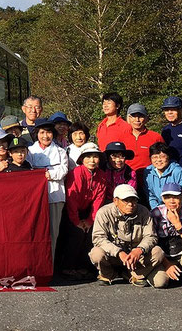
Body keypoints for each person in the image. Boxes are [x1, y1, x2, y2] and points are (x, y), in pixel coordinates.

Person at [89, 184, 164, 287]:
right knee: (96, 253)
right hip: (113, 256)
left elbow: (151, 236)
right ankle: (108, 274)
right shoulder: (103, 212)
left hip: (137, 258)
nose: (131, 204)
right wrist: (119, 252)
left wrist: (140, 249)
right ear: (115, 201)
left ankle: (134, 274)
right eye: (126, 201)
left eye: (134, 200)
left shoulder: (144, 212)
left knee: (158, 252)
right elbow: (98, 238)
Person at [61, 143, 109, 279]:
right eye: (88, 157)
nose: (92, 160)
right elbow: (72, 199)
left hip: (89, 210)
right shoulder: (76, 173)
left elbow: (99, 200)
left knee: (90, 235)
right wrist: (77, 221)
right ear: (82, 159)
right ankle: (68, 267)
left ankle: (84, 267)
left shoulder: (102, 176)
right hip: (72, 210)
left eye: (95, 157)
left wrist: (89, 221)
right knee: (75, 234)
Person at [28, 118, 69, 265]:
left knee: (53, 233)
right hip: (34, 198)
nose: (45, 136)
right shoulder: (30, 151)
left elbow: (63, 170)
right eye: (42, 132)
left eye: (49, 132)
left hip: (55, 195)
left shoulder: (60, 151)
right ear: (36, 134)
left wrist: (48, 174)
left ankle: (49, 266)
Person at [143, 142, 182, 211]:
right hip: (163, 210)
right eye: (155, 157)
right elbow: (151, 196)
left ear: (168, 157)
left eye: (162, 156)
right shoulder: (148, 172)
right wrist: (159, 213)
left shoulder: (178, 172)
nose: (159, 160)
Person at [122, 103, 164, 172]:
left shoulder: (156, 137)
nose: (137, 119)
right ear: (128, 118)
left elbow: (163, 158)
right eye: (133, 116)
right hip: (128, 178)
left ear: (146, 118)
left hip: (150, 177)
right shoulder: (121, 137)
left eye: (140, 116)